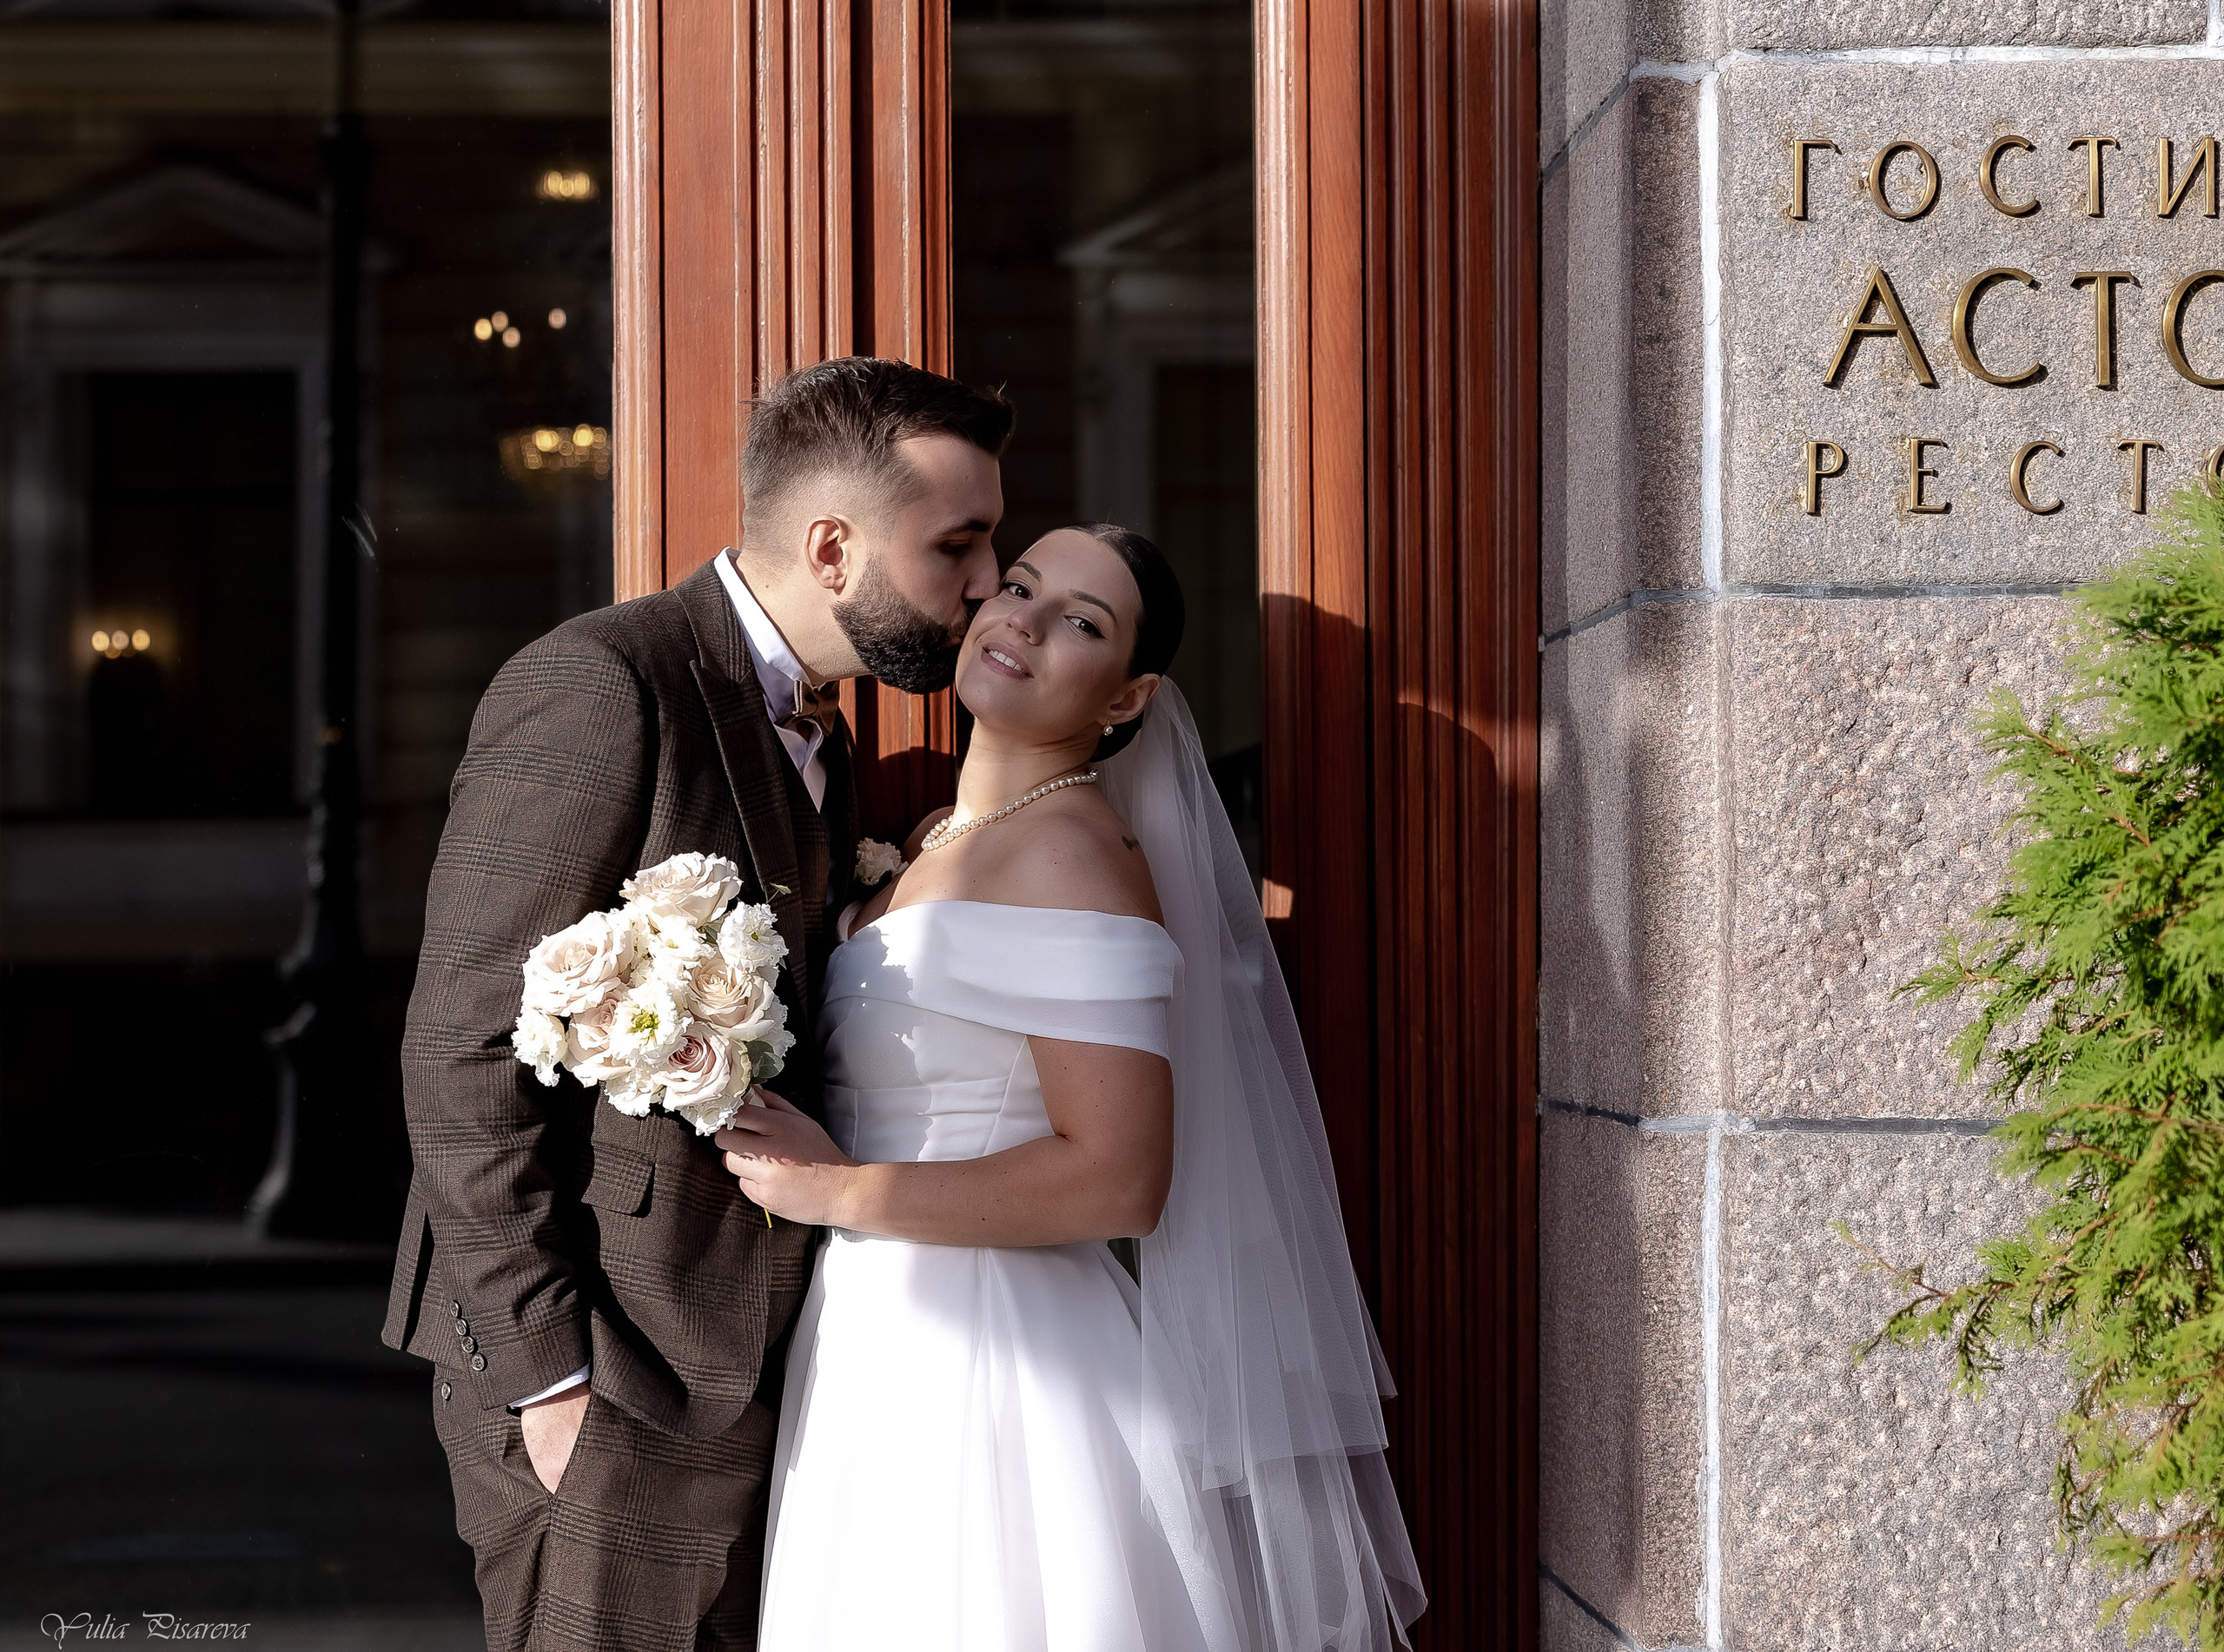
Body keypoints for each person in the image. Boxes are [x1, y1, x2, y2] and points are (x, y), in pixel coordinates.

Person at [381, 356, 1013, 1650]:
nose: (988, 580)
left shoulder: (828, 742)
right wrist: (550, 1378)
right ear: (833, 546)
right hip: (608, 1370)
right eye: (959, 541)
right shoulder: (601, 687)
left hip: (768, 1371)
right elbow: (460, 1049)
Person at [716, 525, 1426, 1650]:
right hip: (881, 1338)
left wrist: (840, 1191)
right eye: (1024, 588)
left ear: (1129, 693)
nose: (1027, 622)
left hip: (1001, 1363)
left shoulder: (1074, 855)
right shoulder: (938, 835)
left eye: (1082, 622)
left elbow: (1120, 1178)